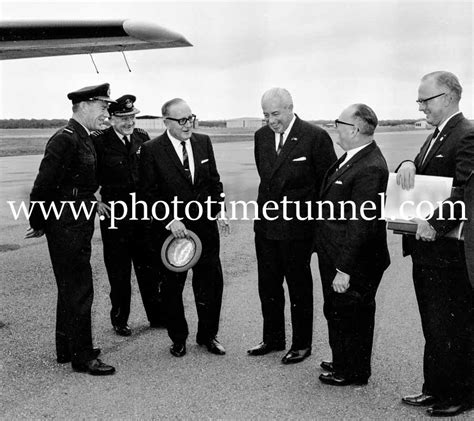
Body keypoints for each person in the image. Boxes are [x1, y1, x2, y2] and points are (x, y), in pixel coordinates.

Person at [396, 71, 474, 417]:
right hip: (427, 249)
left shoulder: (467, 134)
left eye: (424, 100)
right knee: (433, 323)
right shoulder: (435, 136)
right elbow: (418, 171)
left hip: (450, 251)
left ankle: (460, 395)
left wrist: (435, 223)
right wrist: (408, 162)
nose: (420, 106)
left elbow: (463, 191)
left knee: (453, 325)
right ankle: (435, 388)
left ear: (447, 97)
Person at [26, 83, 116, 375]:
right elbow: (43, 184)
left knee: (70, 287)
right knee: (79, 287)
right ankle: (83, 356)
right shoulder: (65, 139)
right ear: (85, 105)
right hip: (65, 222)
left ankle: (67, 348)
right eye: (103, 107)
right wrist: (38, 222)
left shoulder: (84, 137)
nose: (106, 112)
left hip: (76, 218)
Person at [248, 87, 337, 364]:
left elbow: (328, 184)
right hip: (266, 226)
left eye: (275, 114)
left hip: (298, 229)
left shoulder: (315, 137)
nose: (270, 121)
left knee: (298, 286)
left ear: (290, 108)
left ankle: (301, 343)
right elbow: (266, 179)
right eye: (265, 115)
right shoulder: (261, 136)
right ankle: (273, 338)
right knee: (268, 285)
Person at [139, 98, 229, 357]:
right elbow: (147, 195)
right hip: (171, 232)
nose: (188, 124)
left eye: (191, 118)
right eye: (181, 120)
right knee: (171, 287)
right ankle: (178, 338)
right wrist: (169, 220)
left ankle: (208, 336)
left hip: (204, 229)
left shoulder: (204, 142)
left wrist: (219, 210)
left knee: (210, 284)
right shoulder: (151, 149)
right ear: (165, 121)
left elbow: (214, 182)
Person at [314, 104, 390, 386]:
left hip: (355, 260)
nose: (335, 127)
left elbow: (362, 224)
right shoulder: (352, 157)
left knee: (353, 315)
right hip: (336, 253)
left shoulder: (370, 167)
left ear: (355, 129)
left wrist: (344, 269)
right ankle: (342, 359)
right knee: (337, 311)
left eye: (338, 123)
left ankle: (353, 371)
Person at [92, 95, 165, 337]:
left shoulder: (142, 137)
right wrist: (94, 201)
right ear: (111, 119)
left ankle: (156, 316)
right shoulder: (99, 142)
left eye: (132, 117)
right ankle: (120, 319)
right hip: (115, 217)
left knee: (149, 269)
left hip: (142, 216)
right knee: (119, 273)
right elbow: (83, 173)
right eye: (123, 118)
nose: (129, 122)